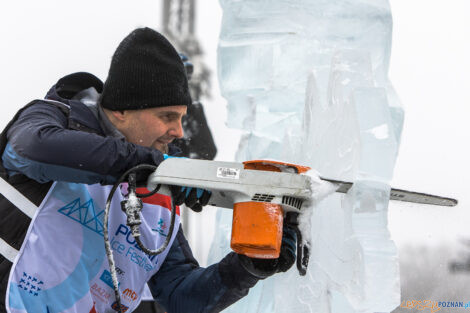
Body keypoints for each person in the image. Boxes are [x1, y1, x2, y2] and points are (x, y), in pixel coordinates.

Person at [0, 27, 296, 313]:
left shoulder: (160, 184)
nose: (179, 131)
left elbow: (181, 296)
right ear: (121, 110)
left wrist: (248, 266)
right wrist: (148, 165)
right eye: (167, 116)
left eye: (181, 117)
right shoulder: (53, 118)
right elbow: (30, 150)